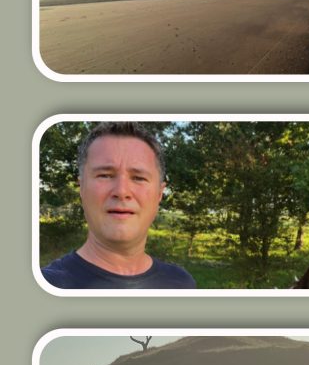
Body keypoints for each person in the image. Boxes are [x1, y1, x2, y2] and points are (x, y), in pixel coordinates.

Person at [42, 122, 196, 289]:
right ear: (82, 188)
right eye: (105, 175)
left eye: (138, 178)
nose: (122, 191)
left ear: (159, 194)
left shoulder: (181, 285)